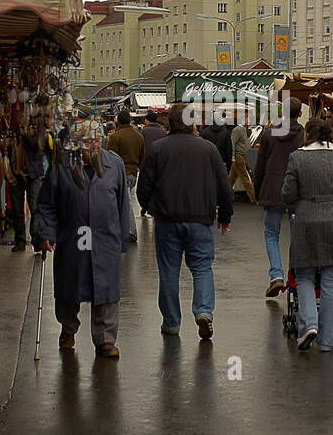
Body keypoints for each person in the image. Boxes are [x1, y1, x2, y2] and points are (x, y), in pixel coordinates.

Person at [34, 120, 132, 359]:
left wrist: (122, 237)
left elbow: (122, 204)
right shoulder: (61, 165)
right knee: (70, 287)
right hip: (73, 237)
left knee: (107, 290)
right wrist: (46, 233)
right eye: (88, 142)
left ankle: (106, 340)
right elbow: (47, 204)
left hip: (105, 238)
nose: (94, 146)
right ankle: (68, 329)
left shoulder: (114, 164)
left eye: (98, 141)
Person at [137, 103, 233, 341]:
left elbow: (144, 186)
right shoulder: (208, 150)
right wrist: (224, 216)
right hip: (200, 219)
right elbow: (225, 188)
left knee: (169, 271)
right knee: (201, 268)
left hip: (167, 220)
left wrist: (150, 208)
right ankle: (203, 311)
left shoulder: (158, 149)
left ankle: (171, 323)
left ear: (170, 122)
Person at [283, 117, 333, 352]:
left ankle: (309, 323)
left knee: (304, 275)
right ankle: (326, 340)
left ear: (308, 135)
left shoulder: (297, 157)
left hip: (307, 219)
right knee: (332, 279)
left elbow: (289, 194)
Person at [252, 96, 304, 297]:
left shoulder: (269, 134)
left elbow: (260, 166)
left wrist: (258, 192)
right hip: (296, 192)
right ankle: (295, 277)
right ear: (299, 114)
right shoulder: (304, 135)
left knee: (271, 234)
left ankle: (276, 275)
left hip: (272, 189)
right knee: (296, 236)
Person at [14, 117, 55, 252]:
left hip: (35, 172)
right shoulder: (13, 128)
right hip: (16, 172)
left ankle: (36, 239)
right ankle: (20, 240)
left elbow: (39, 146)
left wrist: (27, 132)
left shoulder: (39, 131)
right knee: (17, 209)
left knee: (35, 208)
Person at [105, 110, 145, 243]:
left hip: (120, 172)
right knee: (124, 200)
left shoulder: (116, 137)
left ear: (119, 122)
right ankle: (123, 229)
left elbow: (109, 157)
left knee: (125, 202)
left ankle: (130, 231)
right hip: (133, 172)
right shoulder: (138, 136)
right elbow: (142, 155)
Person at [228, 113, 257, 202]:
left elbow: (243, 143)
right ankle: (253, 198)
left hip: (241, 155)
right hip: (238, 155)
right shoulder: (237, 130)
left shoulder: (243, 129)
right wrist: (233, 156)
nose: (249, 121)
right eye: (248, 119)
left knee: (231, 179)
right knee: (245, 178)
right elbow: (232, 143)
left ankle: (224, 195)